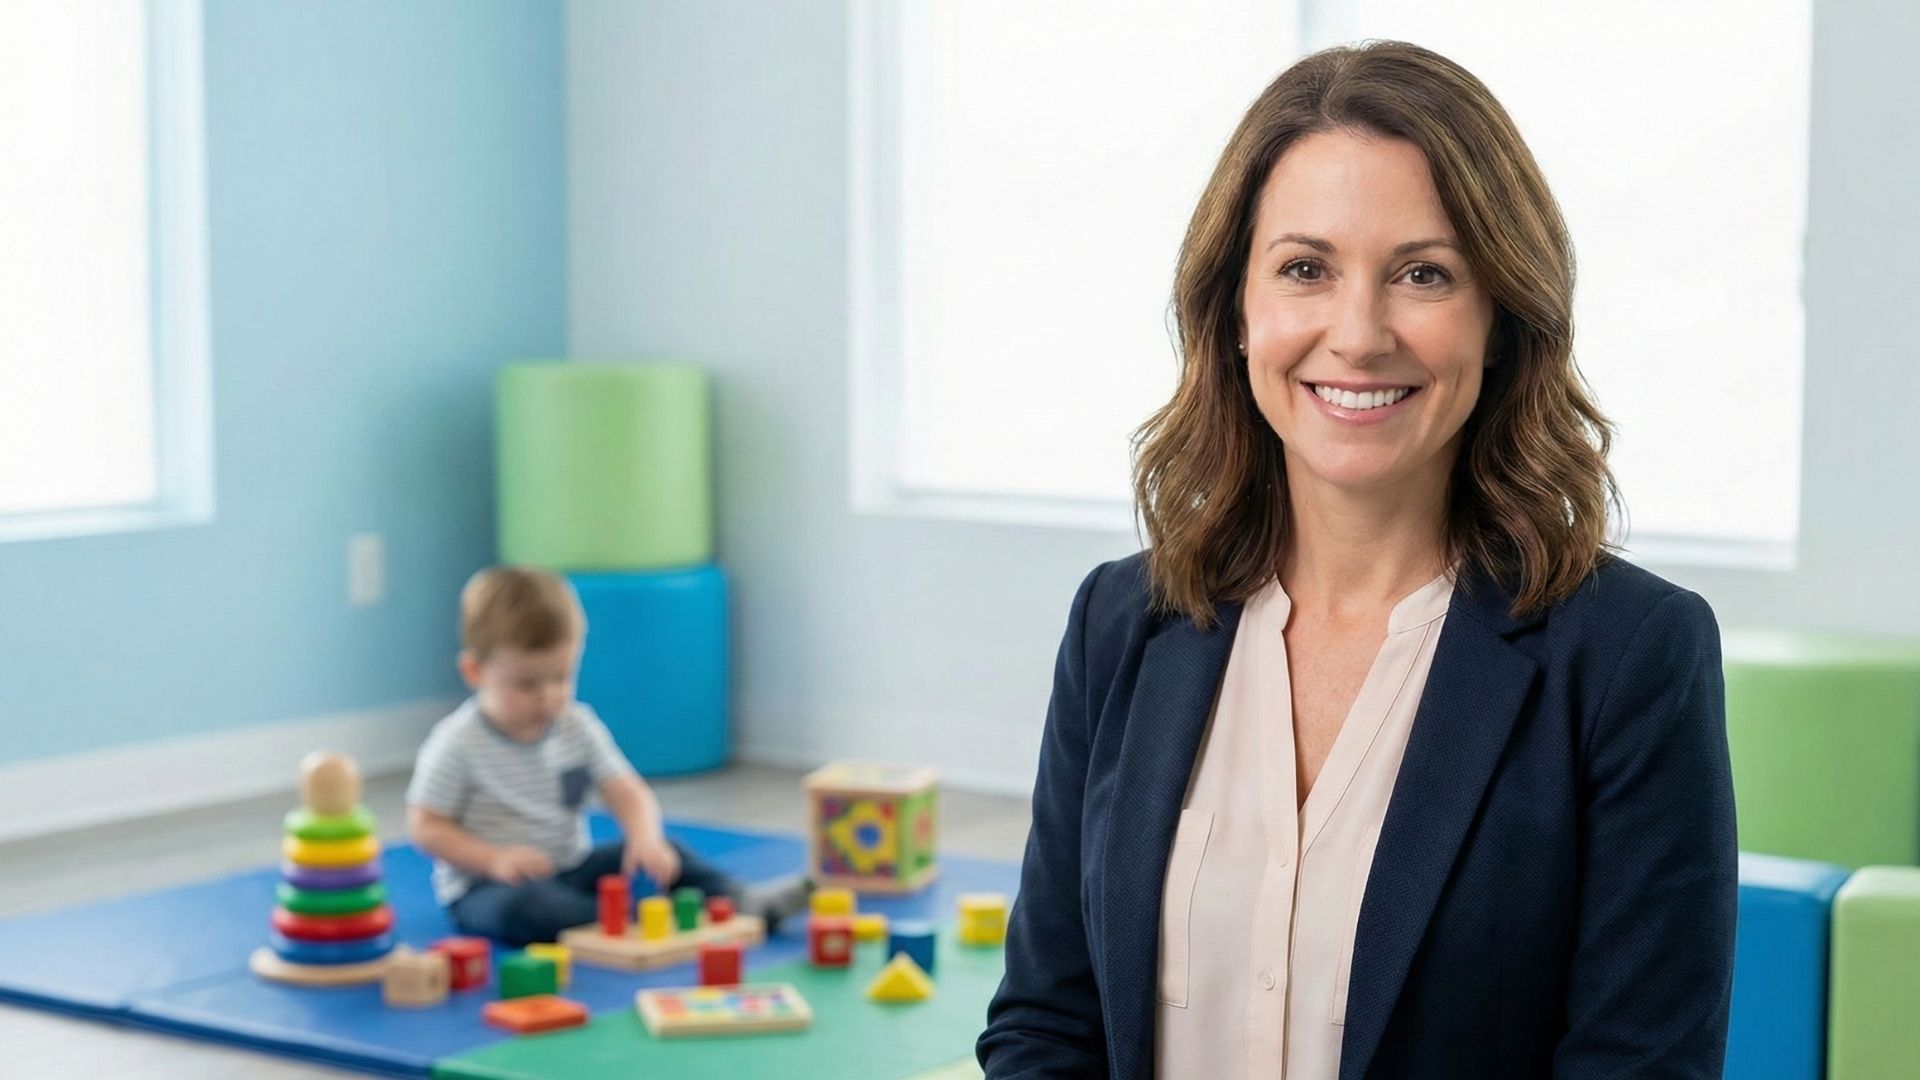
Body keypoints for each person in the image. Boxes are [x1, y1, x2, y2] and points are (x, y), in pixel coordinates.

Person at [977, 40, 1736, 1080]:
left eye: (1424, 274)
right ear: (1234, 314)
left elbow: (1638, 1062)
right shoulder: (1121, 622)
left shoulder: (1631, 655)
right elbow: (1045, 1027)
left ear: (1502, 320)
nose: (1359, 332)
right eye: (1305, 269)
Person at [406, 565, 809, 948]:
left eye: (562, 677)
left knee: (671, 851)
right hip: (489, 886)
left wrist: (645, 839)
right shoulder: (457, 743)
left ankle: (743, 901)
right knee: (530, 911)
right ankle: (628, 922)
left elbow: (626, 791)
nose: (548, 696)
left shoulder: (575, 726)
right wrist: (493, 860)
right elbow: (426, 826)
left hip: (572, 867)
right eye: (526, 684)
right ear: (475, 672)